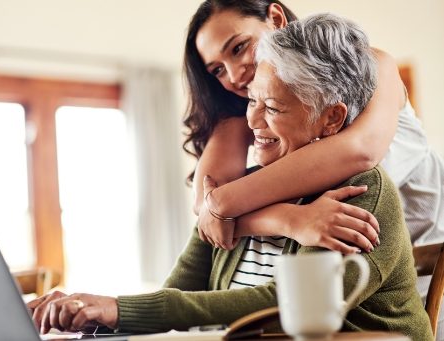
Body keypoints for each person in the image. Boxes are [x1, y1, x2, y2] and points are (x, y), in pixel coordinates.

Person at [27, 14, 432, 341]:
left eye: (271, 107)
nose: (251, 120)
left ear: (330, 119)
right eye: (251, 99)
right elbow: (181, 290)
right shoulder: (247, 186)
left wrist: (121, 309)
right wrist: (99, 314)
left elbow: (284, 309)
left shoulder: (361, 192)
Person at [184, 2, 444, 337]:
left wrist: (224, 206)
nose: (234, 75)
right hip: (348, 275)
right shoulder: (250, 109)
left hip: (427, 268)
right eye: (217, 70)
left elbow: (359, 151)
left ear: (275, 18)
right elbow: (205, 206)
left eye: (238, 48)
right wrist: (287, 220)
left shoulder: (371, 66)